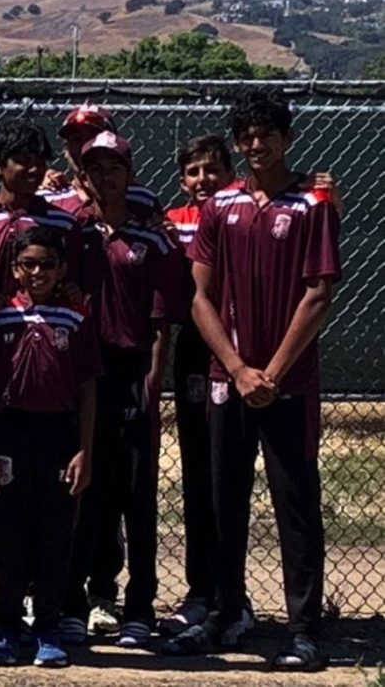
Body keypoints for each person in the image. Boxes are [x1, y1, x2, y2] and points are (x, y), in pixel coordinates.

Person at [182, 92, 340, 672]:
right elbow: (199, 295)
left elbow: (319, 292)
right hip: (230, 379)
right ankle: (227, 614)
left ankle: (303, 631)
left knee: (295, 502)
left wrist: (270, 372)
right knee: (223, 502)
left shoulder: (311, 203)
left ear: (285, 137)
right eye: (246, 135)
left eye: (266, 133)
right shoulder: (220, 206)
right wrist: (238, 366)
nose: (255, 144)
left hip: (288, 383)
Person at [0, 120, 83, 642]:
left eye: (36, 158)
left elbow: (79, 293)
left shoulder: (65, 226)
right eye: (18, 159)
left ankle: (56, 606)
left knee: (49, 507)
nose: (29, 168)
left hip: (45, 380)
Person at [61, 131, 185, 648]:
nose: (105, 177)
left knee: (136, 496)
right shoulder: (73, 235)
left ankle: (139, 607)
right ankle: (74, 602)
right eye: (96, 169)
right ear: (83, 179)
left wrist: (152, 387)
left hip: (132, 372)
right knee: (83, 489)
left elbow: (161, 325)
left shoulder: (151, 239)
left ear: (129, 175)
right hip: (86, 376)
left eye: (115, 167)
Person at [0, 227, 99, 668]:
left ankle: (48, 626)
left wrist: (85, 450)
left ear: (62, 269)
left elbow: (87, 391)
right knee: (7, 535)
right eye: (28, 264)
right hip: (11, 433)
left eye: (47, 264)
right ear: (14, 269)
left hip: (58, 436)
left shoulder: (77, 319)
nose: (38, 272)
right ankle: (6, 626)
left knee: (54, 535)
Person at [159, 135, 242, 641]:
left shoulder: (242, 213)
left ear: (229, 171)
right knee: (197, 475)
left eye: (212, 169)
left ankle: (232, 597)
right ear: (181, 180)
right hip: (193, 354)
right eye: (193, 172)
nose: (203, 180)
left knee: (228, 479)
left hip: (243, 349)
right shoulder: (170, 221)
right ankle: (200, 592)